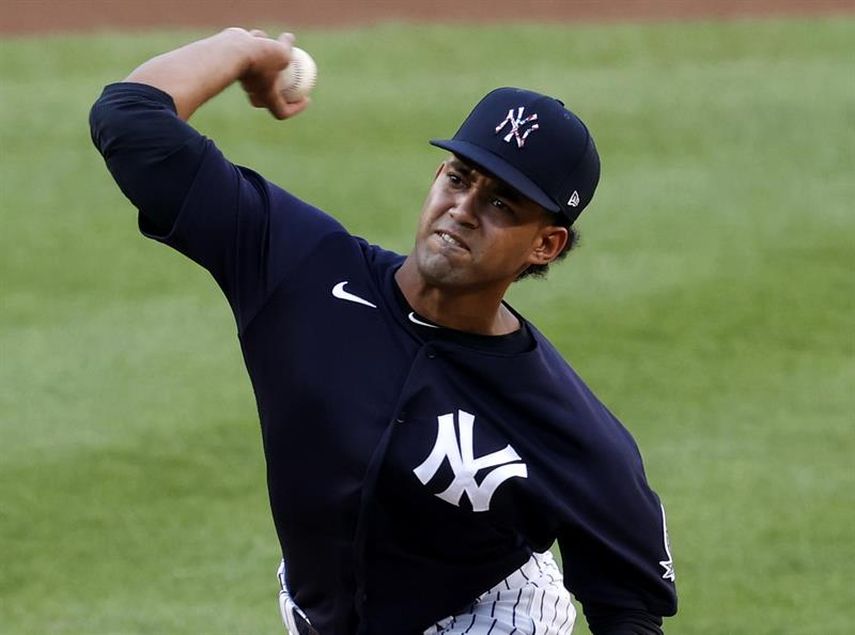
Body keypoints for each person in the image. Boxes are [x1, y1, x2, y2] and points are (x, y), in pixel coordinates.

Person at [89, 27, 677, 635]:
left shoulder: (565, 425)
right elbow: (129, 120)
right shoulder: (302, 270)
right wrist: (243, 48)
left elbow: (629, 604)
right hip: (318, 612)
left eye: (502, 204)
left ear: (546, 245)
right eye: (459, 178)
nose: (464, 209)